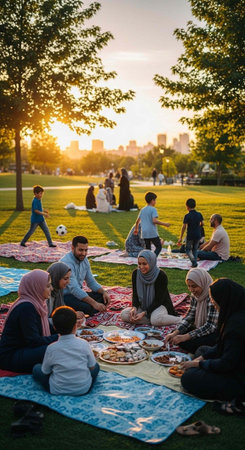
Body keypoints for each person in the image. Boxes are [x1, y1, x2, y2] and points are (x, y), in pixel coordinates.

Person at [180, 278, 245, 402]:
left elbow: (227, 364)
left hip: (238, 378)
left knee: (188, 378)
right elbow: (222, 346)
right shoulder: (237, 312)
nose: (215, 305)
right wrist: (203, 358)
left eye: (215, 302)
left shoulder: (235, 327)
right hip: (234, 362)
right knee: (202, 350)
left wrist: (199, 364)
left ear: (225, 301)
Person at [32, 306, 100, 395]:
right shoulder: (84, 344)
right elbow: (91, 366)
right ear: (76, 325)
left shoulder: (51, 348)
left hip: (57, 389)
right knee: (97, 366)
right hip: (83, 389)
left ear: (55, 327)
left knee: (37, 368)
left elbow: (45, 371)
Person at [0, 270, 58, 373]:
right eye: (48, 286)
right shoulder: (26, 307)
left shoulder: (38, 304)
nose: (52, 289)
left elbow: (50, 330)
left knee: (63, 345)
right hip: (11, 356)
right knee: (54, 349)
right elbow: (33, 341)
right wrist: (60, 338)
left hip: (25, 349)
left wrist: (68, 333)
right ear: (37, 287)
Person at [121, 250, 180, 326]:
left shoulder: (161, 275)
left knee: (155, 320)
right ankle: (152, 320)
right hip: (143, 306)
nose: (141, 267)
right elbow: (135, 294)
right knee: (124, 314)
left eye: (144, 264)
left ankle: (179, 320)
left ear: (151, 262)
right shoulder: (136, 273)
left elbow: (159, 300)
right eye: (139, 264)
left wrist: (144, 312)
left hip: (159, 305)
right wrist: (134, 308)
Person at [165, 268, 218, 353]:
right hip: (199, 327)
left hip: (214, 332)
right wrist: (175, 333)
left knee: (189, 343)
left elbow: (210, 326)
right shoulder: (195, 295)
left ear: (202, 283)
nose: (191, 290)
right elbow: (190, 316)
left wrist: (186, 336)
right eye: (189, 286)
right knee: (176, 335)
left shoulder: (213, 296)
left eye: (194, 286)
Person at [60, 235, 111, 315]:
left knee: (102, 297)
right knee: (88, 307)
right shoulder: (66, 263)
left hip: (78, 295)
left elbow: (91, 282)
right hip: (66, 296)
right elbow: (74, 289)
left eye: (86, 250)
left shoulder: (84, 260)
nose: (83, 253)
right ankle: (89, 309)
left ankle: (93, 308)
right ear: (73, 248)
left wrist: (104, 292)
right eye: (80, 250)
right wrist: (94, 303)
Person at [134, 191, 170, 256]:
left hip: (144, 232)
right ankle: (152, 259)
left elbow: (137, 221)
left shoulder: (142, 209)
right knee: (159, 247)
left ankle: (148, 259)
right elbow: (154, 221)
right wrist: (165, 224)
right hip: (151, 232)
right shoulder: (153, 209)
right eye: (155, 200)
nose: (155, 202)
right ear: (152, 200)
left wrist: (136, 229)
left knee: (148, 249)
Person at [177, 198, 204, 268]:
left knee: (188, 250)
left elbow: (184, 227)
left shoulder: (187, 216)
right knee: (195, 249)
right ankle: (194, 262)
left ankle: (194, 262)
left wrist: (180, 237)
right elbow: (202, 223)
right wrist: (198, 226)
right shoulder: (199, 214)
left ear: (187, 207)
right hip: (198, 235)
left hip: (190, 235)